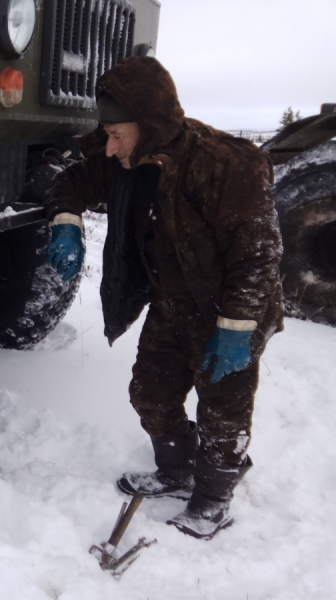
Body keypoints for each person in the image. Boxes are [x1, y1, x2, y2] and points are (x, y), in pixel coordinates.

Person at [46, 57, 283, 540]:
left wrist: (237, 329)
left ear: (150, 126)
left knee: (223, 409)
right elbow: (73, 181)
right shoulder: (128, 159)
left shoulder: (227, 165)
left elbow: (258, 257)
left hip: (231, 311)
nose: (109, 149)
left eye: (116, 134)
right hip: (172, 304)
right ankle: (177, 469)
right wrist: (66, 222)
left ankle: (214, 496)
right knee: (149, 393)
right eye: (106, 134)